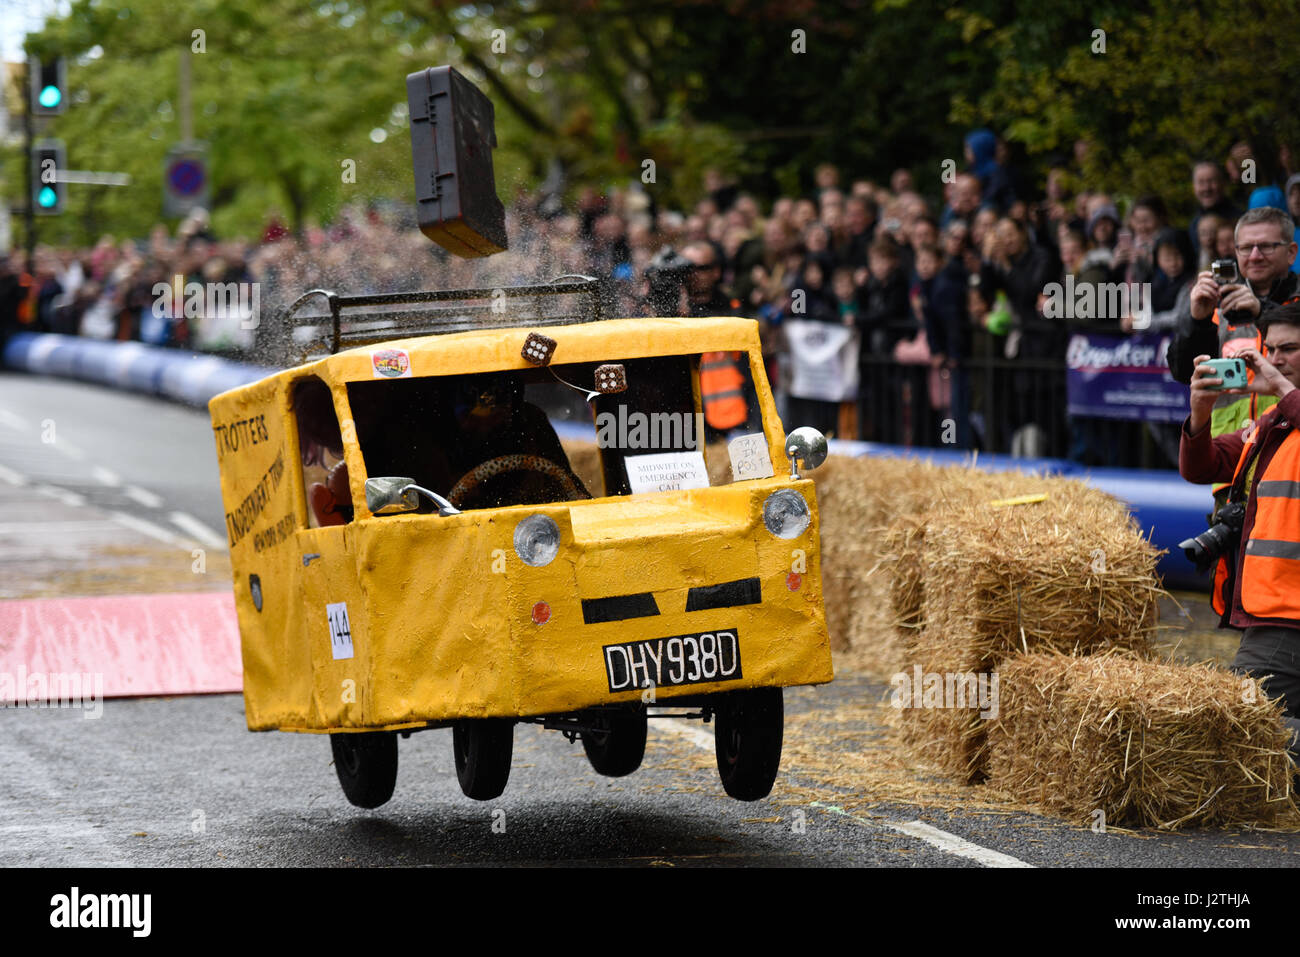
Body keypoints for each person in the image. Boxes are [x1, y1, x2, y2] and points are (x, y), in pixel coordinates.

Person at [1179, 303, 1300, 759]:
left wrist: (1279, 386)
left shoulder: (1288, 408)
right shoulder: (1277, 422)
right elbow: (1202, 465)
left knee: (1238, 729)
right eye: (1272, 349)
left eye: (1289, 349)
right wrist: (1200, 411)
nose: (1276, 359)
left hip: (1285, 614)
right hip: (1273, 606)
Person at [1167, 207, 1300, 503]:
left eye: (1266, 246)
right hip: (1232, 464)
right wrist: (1197, 320)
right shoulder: (1219, 303)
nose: (1254, 255)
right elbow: (1180, 371)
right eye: (1245, 247)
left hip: (1291, 466)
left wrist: (1262, 312)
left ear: (1291, 252)